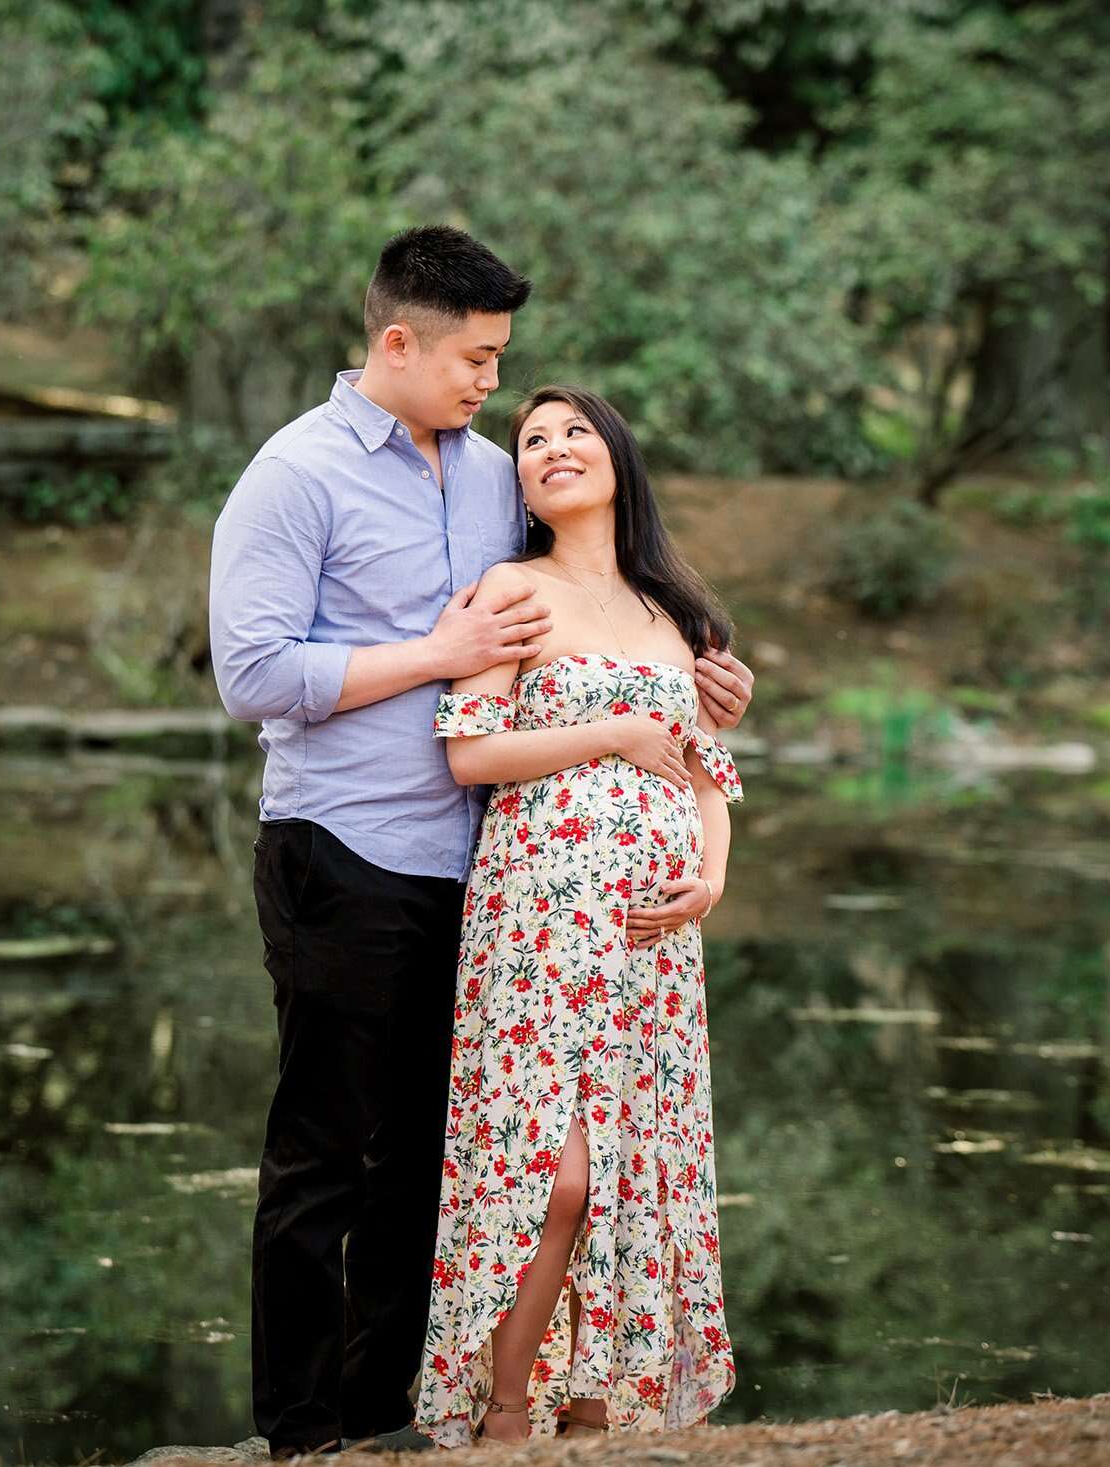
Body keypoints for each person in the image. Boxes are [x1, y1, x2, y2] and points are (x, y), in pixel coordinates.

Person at [208, 227, 755, 1459]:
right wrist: (437, 661)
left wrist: (705, 688)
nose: (495, 390)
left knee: (427, 1162)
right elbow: (250, 673)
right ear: (396, 342)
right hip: (339, 847)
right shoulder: (296, 473)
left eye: (503, 364)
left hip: (482, 872)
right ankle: (297, 1435)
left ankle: (392, 1418)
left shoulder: (486, 471)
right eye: (477, 361)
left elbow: (612, 616)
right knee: (322, 1157)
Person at [413, 386, 741, 1446]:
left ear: (616, 458)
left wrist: (712, 877)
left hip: (650, 939)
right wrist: (603, 732)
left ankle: (597, 1408)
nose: (550, 449)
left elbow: (705, 773)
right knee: (554, 1175)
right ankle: (504, 1410)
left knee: (635, 1173)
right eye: (530, 440)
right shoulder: (512, 589)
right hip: (540, 928)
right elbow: (470, 752)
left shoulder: (674, 613)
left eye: (572, 432)